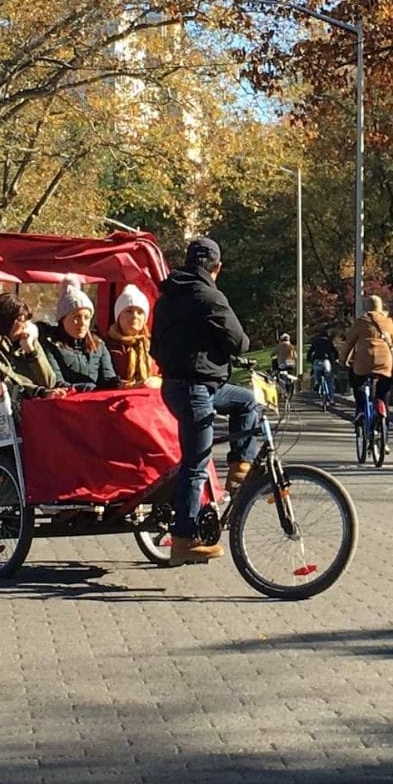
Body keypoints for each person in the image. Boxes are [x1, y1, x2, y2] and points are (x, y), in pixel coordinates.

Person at [151, 235, 256, 566]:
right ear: (217, 267)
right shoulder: (209, 295)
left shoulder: (167, 296)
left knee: (246, 402)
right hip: (196, 388)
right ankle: (183, 539)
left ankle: (240, 469)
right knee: (195, 465)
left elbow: (156, 347)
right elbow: (239, 343)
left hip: (177, 385)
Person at [0, 293, 67, 415]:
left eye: (27, 321)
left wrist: (32, 352)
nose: (25, 326)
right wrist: (41, 392)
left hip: (39, 408)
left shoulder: (29, 340)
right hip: (10, 411)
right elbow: (9, 379)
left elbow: (49, 382)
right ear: (6, 321)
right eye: (20, 320)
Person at [339, 294, 393, 454]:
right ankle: (384, 439)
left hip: (363, 363)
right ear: (381, 308)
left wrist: (343, 361)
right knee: (382, 396)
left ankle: (360, 411)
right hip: (385, 364)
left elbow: (349, 343)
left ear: (366, 307)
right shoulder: (388, 322)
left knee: (357, 382)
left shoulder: (361, 321)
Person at [41, 275, 119, 390]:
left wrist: (124, 385)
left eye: (87, 317)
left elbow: (108, 379)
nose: (82, 323)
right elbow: (57, 383)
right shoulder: (50, 345)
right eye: (76, 317)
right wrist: (89, 388)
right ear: (62, 319)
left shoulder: (98, 345)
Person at [106, 282, 160, 387]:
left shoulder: (155, 344)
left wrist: (158, 381)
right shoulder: (105, 346)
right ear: (119, 316)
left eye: (140, 312)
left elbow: (169, 375)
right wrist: (131, 386)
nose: (135, 316)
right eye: (129, 311)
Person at [307, 328, 338, 399]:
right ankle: (331, 399)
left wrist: (309, 359)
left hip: (317, 360)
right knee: (329, 380)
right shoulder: (329, 342)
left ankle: (316, 383)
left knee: (316, 372)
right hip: (326, 361)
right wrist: (335, 358)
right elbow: (334, 351)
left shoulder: (315, 342)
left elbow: (310, 352)